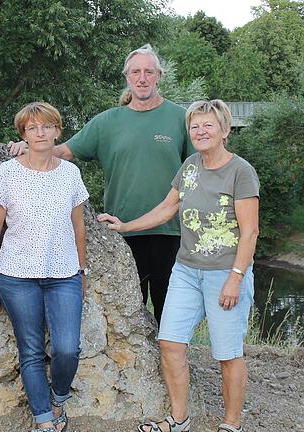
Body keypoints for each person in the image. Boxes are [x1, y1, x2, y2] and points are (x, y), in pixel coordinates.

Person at [98, 99, 260, 432]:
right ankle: (179, 418)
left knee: (227, 352)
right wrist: (124, 226)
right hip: (186, 270)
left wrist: (236, 277)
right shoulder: (189, 166)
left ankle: (231, 424)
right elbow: (166, 209)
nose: (200, 132)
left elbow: (250, 231)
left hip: (225, 273)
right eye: (194, 126)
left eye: (208, 125)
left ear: (225, 130)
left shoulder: (240, 171)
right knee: (170, 343)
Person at [8, 44, 193, 324]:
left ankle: (173, 367)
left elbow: (196, 172)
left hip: (172, 231)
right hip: (122, 231)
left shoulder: (182, 118)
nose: (142, 78)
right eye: (135, 72)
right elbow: (66, 151)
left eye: (149, 72)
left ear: (159, 76)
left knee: (173, 317)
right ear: (127, 77)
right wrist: (30, 146)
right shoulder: (107, 122)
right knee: (131, 316)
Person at [0, 102, 88, 432]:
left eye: (46, 126)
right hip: (16, 276)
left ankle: (59, 400)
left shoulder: (70, 173)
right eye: (32, 128)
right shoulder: (7, 172)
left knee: (66, 348)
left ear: (57, 130)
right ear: (23, 134)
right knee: (30, 350)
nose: (40, 132)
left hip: (64, 275)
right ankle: (45, 422)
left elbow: (79, 227)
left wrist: (82, 270)